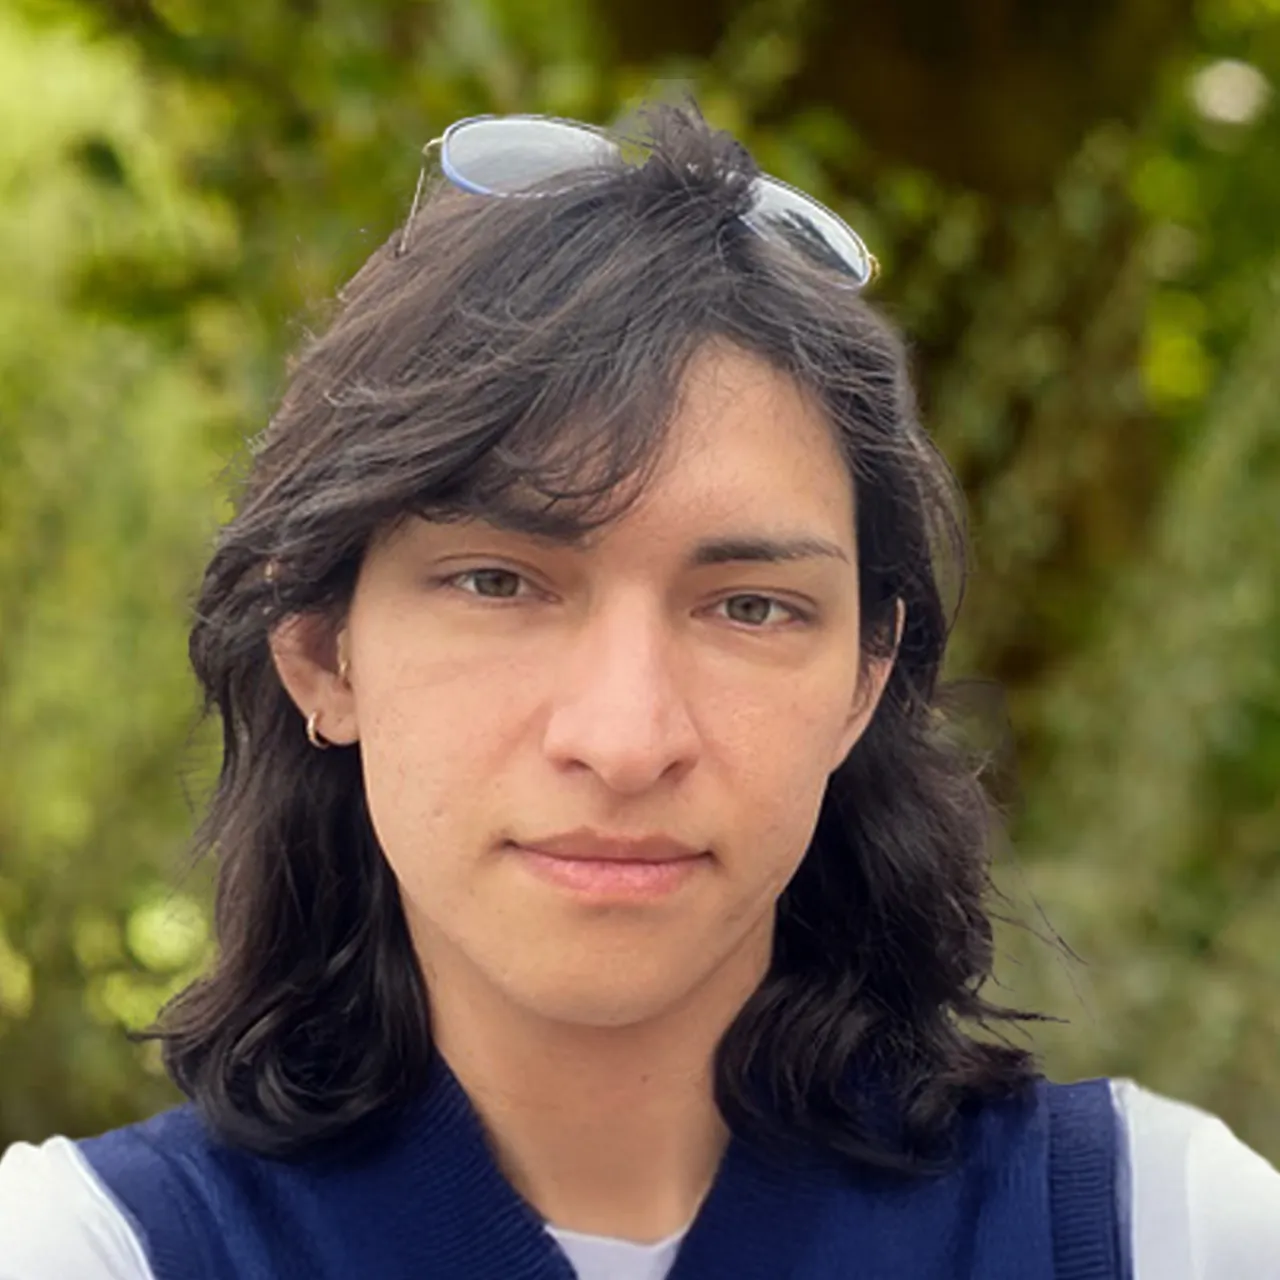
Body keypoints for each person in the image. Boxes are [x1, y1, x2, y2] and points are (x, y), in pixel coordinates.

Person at [1, 102, 1277, 1280]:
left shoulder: (1150, 1229)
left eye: (749, 606)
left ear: (862, 676)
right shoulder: (96, 1249)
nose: (623, 740)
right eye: (498, 582)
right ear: (322, 652)